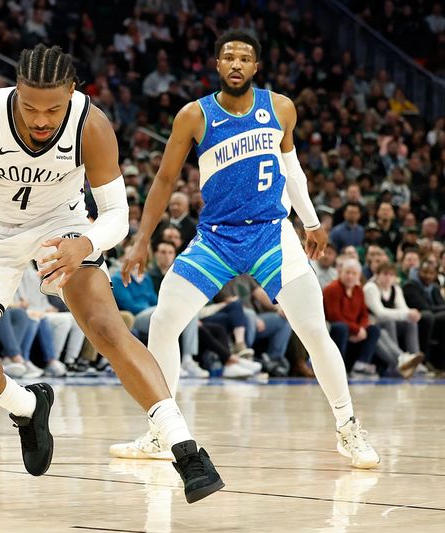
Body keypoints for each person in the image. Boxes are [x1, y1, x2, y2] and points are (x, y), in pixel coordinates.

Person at [0, 44, 223, 503]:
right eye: (31, 107)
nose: (41, 119)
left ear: (72, 94)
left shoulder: (91, 125)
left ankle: (185, 449)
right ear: (15, 91)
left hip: (62, 229)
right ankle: (27, 405)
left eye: (53, 108)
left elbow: (117, 213)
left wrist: (87, 243)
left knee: (106, 328)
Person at [114, 31, 379, 469]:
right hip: (215, 237)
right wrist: (141, 239)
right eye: (228, 57)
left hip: (270, 234)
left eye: (245, 58)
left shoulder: (280, 107)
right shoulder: (193, 116)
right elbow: (163, 180)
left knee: (313, 329)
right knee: (162, 322)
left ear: (256, 67)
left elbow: (290, 166)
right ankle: (163, 432)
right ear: (217, 65)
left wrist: (310, 221)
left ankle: (348, 428)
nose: (236, 64)